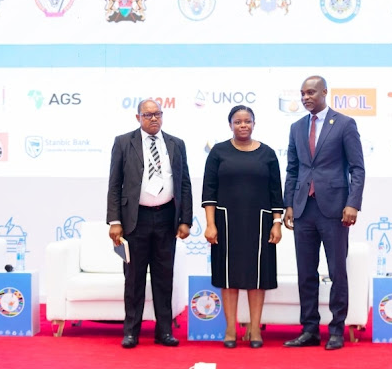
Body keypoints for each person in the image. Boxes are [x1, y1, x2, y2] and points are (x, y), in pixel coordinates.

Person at [283, 75, 365, 351]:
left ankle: (336, 330)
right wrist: (289, 205)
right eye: (302, 93)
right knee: (306, 273)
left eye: (311, 92)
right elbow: (292, 170)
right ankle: (309, 330)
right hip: (303, 209)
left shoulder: (344, 124)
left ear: (324, 92)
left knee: (337, 272)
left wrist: (353, 203)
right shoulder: (296, 127)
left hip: (334, 209)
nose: (305, 97)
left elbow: (357, 168)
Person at [107, 98, 192, 349]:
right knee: (133, 279)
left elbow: (184, 183)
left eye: (157, 114)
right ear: (138, 118)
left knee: (164, 278)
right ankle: (131, 332)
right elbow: (114, 184)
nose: (154, 118)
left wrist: (185, 219)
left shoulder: (176, 144)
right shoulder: (124, 142)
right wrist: (115, 221)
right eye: (148, 115)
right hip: (135, 220)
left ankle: (164, 331)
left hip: (166, 218)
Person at [202, 105, 284, 349]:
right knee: (229, 277)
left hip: (260, 223)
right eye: (238, 122)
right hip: (226, 223)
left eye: (247, 121)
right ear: (230, 125)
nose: (243, 125)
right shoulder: (218, 152)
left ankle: (255, 329)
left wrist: (277, 223)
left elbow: (276, 193)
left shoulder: (268, 154)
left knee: (258, 278)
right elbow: (209, 192)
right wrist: (210, 224)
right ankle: (230, 329)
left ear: (254, 123)